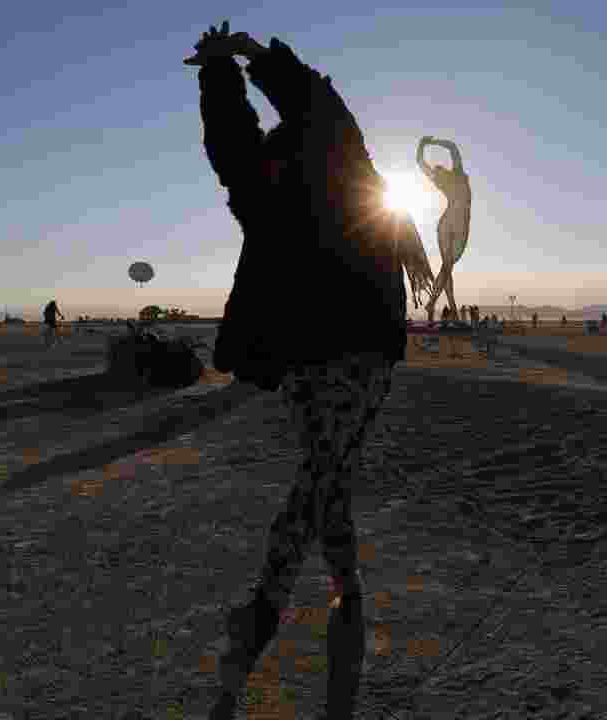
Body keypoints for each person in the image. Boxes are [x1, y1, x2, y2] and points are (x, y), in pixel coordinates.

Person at [187, 23, 432, 720]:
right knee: (327, 469)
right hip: (324, 348)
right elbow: (265, 125)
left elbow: (250, 131)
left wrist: (231, 67)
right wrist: (234, 64)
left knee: (323, 467)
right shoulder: (324, 152)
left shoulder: (317, 156)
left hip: (341, 346)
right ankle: (333, 589)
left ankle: (269, 605)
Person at [417, 135, 472, 323]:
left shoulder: (448, 178)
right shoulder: (457, 173)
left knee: (447, 266)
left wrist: (423, 146)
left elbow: (420, 163)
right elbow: (453, 148)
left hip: (448, 222)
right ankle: (451, 310)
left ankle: (435, 304)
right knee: (448, 266)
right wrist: (432, 143)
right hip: (457, 222)